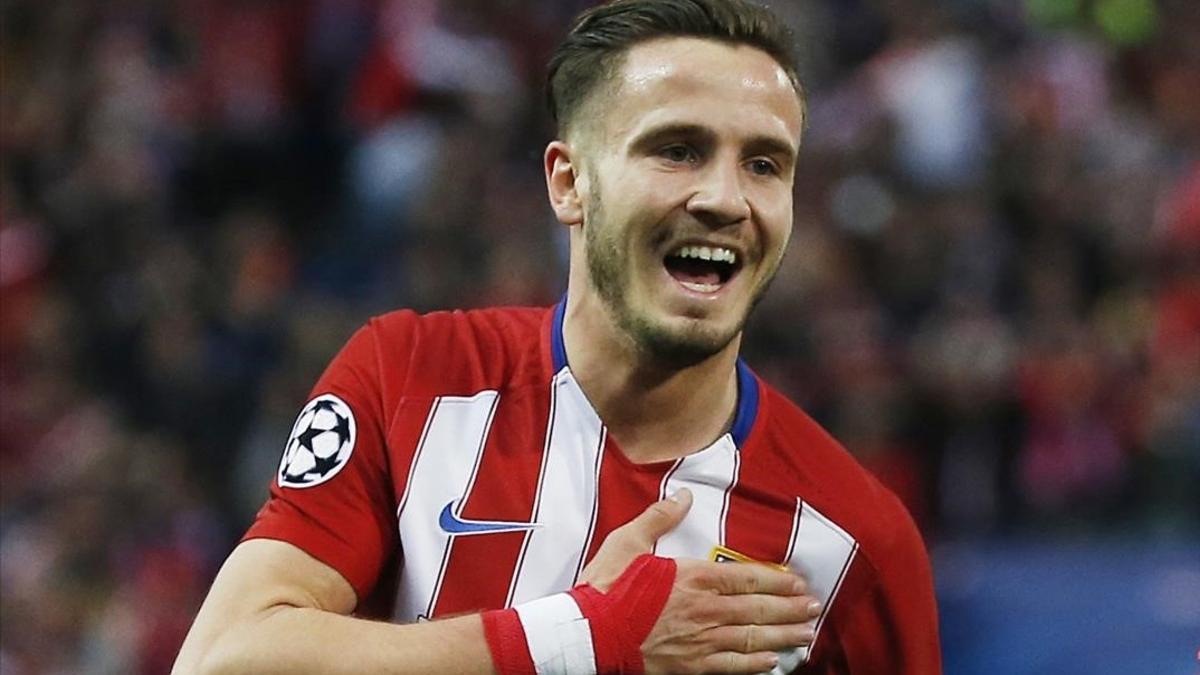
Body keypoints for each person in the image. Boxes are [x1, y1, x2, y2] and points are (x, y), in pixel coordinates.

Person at [173, 0, 941, 673]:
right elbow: (222, 659)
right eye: (677, 149)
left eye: (766, 164)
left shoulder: (856, 541)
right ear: (569, 182)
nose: (725, 197)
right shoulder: (411, 379)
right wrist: (577, 636)